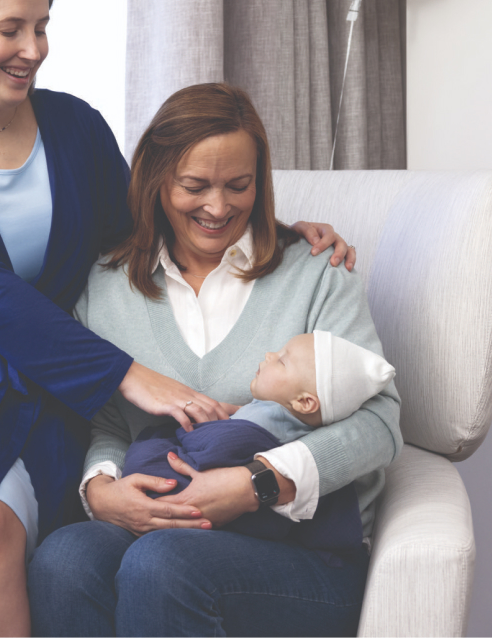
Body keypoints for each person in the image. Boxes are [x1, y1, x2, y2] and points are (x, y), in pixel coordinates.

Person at [0, 0, 353, 638]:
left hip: (50, 370)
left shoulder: (73, 125)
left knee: (65, 549)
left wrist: (277, 230)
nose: (33, 48)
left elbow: (143, 226)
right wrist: (130, 374)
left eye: (42, 26)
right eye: (11, 28)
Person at [27, 82, 402, 638]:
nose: (219, 207)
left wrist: (258, 483)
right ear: (156, 180)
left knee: (165, 566)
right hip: (160, 532)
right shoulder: (105, 287)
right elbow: (109, 420)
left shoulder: (316, 272)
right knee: (65, 560)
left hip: (305, 559)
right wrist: (101, 489)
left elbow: (379, 423)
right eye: (195, 186)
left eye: (239, 185)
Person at [115, 331, 395, 554]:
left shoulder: (267, 426)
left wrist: (210, 432)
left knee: (148, 464)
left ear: (304, 402)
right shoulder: (266, 411)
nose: (269, 354)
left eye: (282, 360)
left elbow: (225, 448)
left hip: (222, 512)